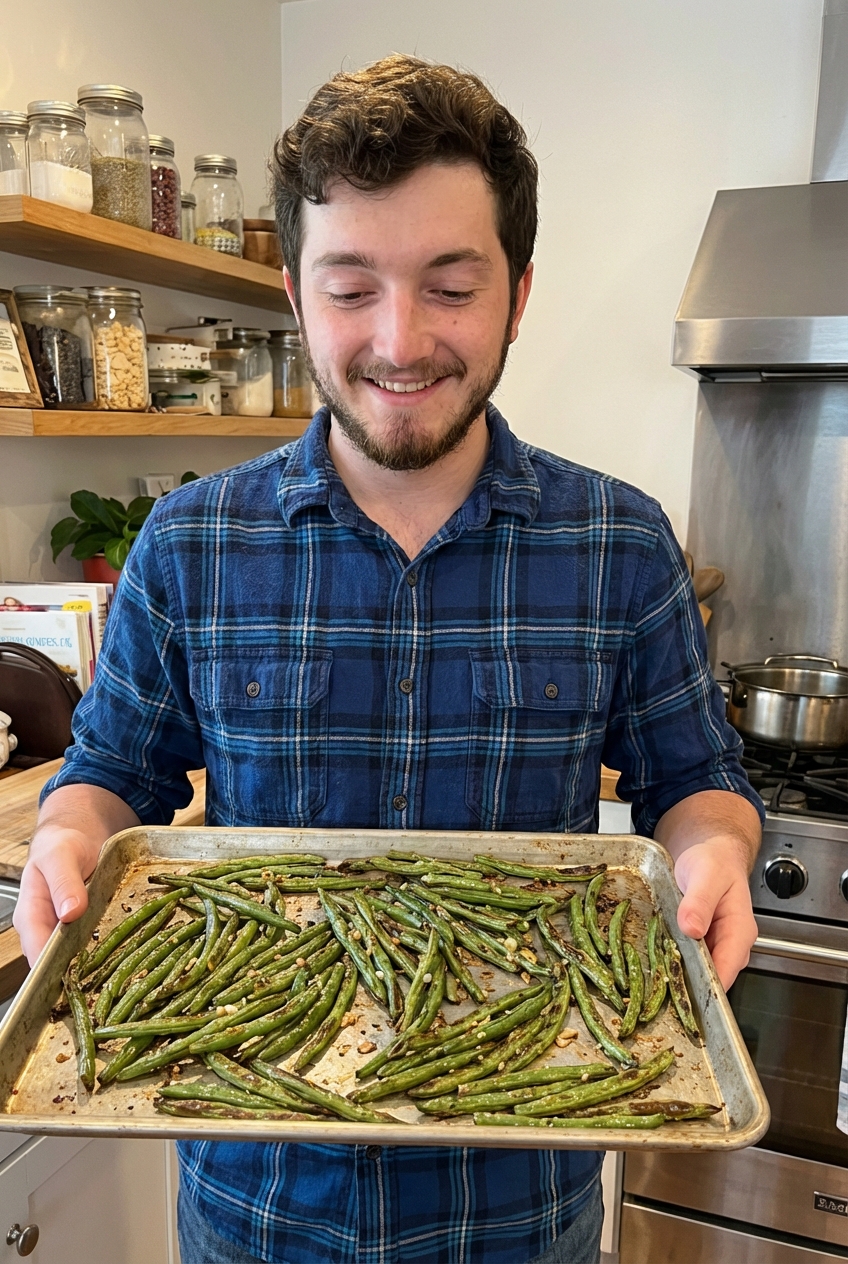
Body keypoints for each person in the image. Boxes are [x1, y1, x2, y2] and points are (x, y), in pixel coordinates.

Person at [15, 54, 763, 1264]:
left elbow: (694, 780)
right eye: (350, 287)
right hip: (256, 1198)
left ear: (519, 296)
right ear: (295, 295)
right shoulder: (191, 541)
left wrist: (716, 851)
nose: (399, 339)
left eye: (449, 287)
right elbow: (114, 774)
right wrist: (67, 838)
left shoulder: (617, 542)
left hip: (520, 1206)